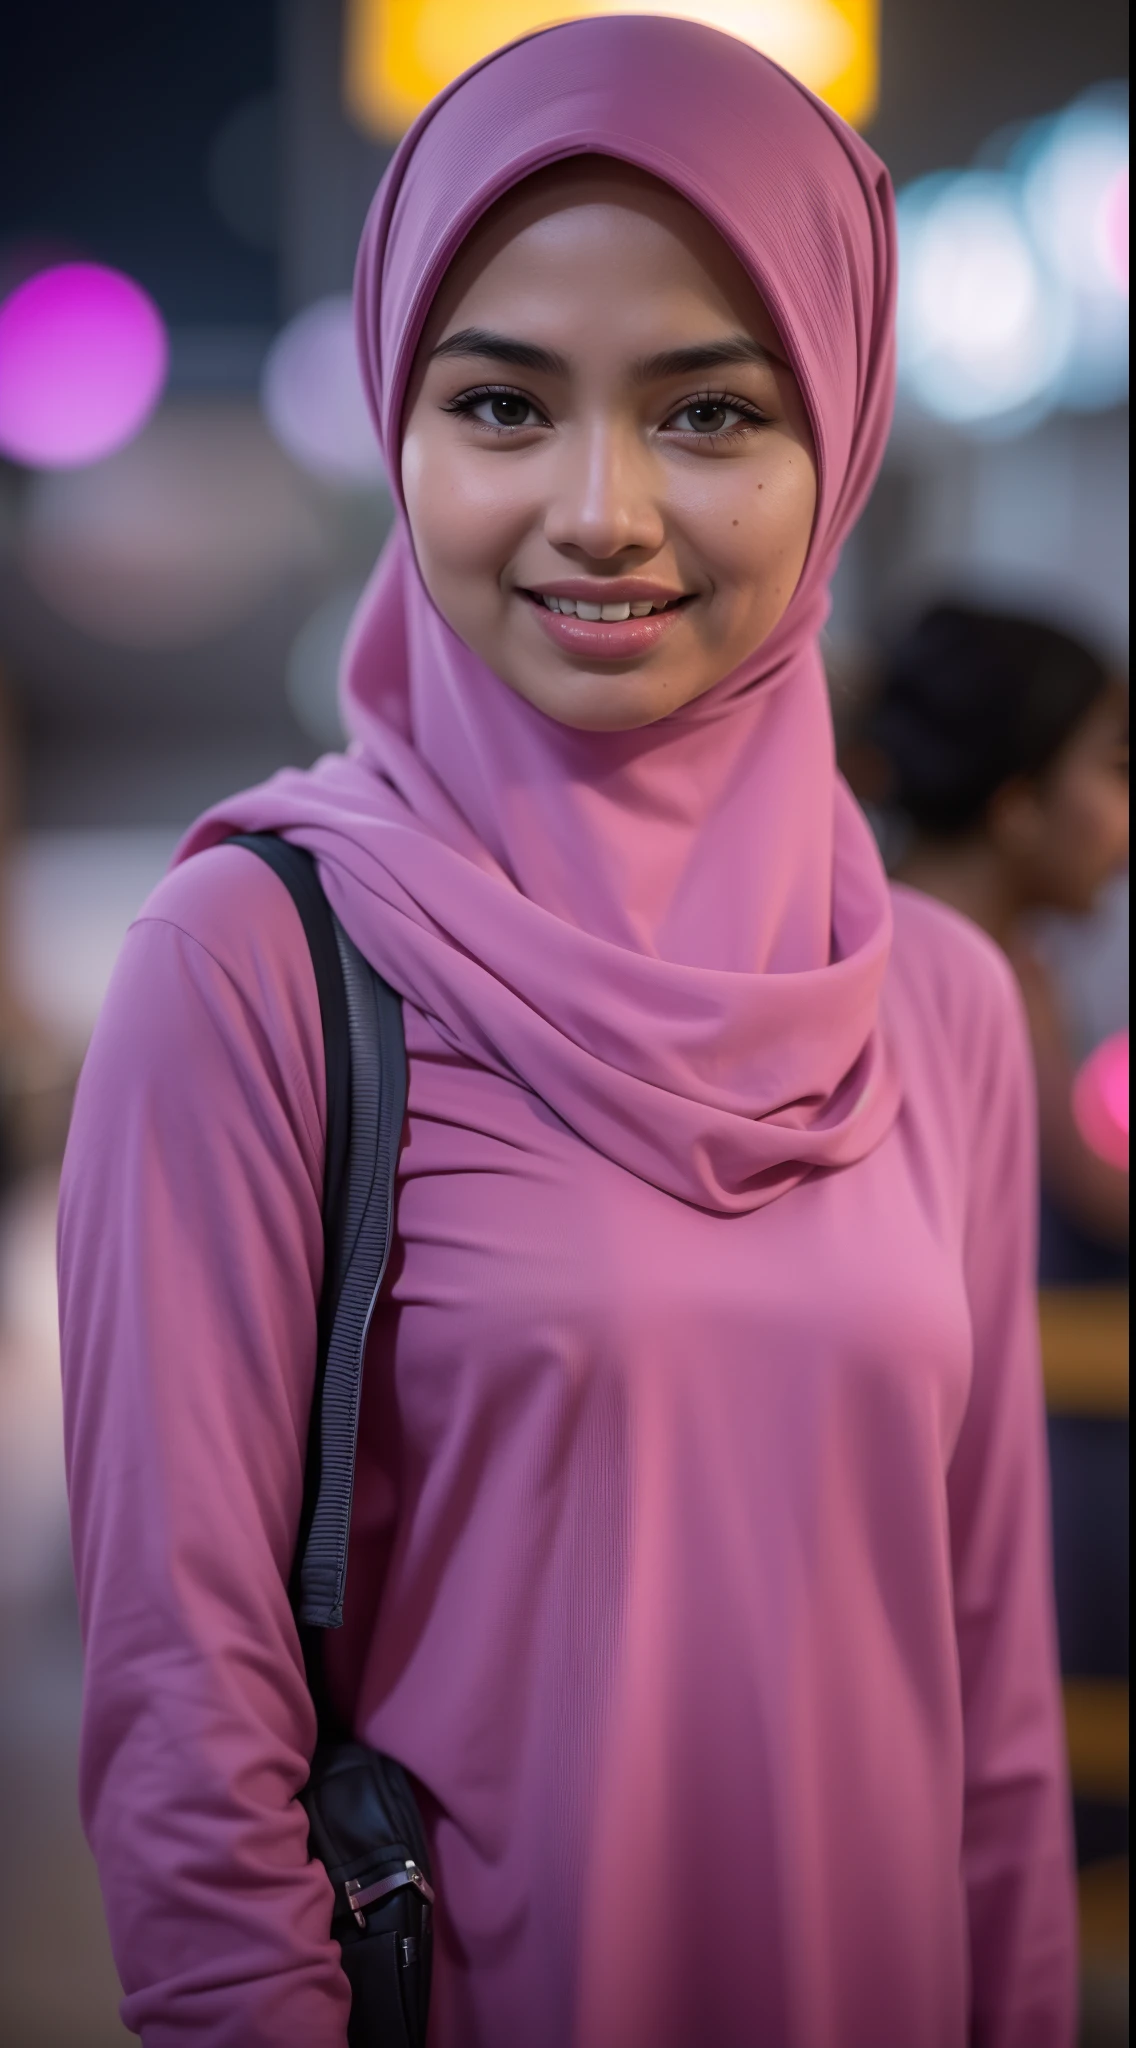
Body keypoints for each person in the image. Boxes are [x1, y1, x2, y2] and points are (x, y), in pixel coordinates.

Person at [58, 20, 1076, 2048]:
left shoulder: (933, 1002)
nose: (599, 511)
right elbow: (188, 1719)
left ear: (842, 438)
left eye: (708, 415)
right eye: (503, 400)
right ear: (397, 424)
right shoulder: (256, 964)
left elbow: (992, 1720)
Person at [855, 601, 1129, 1269]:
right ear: (1018, 805)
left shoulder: (1020, 969)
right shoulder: (884, 985)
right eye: (1120, 771)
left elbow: (1086, 1185)